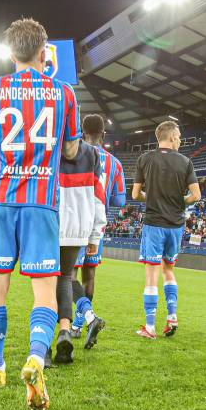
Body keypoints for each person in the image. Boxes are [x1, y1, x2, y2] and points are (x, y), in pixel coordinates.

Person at [0, 18, 80, 410]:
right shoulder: (64, 93)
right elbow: (70, 151)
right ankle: (36, 357)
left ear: (11, 52)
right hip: (41, 202)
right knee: (46, 293)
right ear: (43, 53)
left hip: (1, 199)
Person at [131, 120, 201, 339]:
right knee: (168, 270)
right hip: (176, 226)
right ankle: (172, 316)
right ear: (170, 137)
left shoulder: (144, 159)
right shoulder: (185, 162)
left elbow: (135, 195)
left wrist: (150, 197)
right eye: (178, 136)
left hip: (154, 224)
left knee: (151, 274)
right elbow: (196, 196)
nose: (180, 139)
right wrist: (180, 203)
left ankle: (150, 327)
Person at [70, 114, 126, 342]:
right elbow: (120, 201)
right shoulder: (115, 163)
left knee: (68, 275)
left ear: (82, 133)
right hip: (97, 223)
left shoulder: (73, 153)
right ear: (104, 135)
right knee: (89, 274)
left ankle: (83, 320)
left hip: (74, 220)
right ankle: (77, 325)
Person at [53, 139, 106, 364]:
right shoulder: (97, 155)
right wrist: (95, 234)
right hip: (79, 223)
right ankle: (76, 324)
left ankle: (43, 345)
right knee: (67, 278)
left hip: (49, 218)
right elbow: (104, 197)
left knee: (46, 281)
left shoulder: (49, 145)